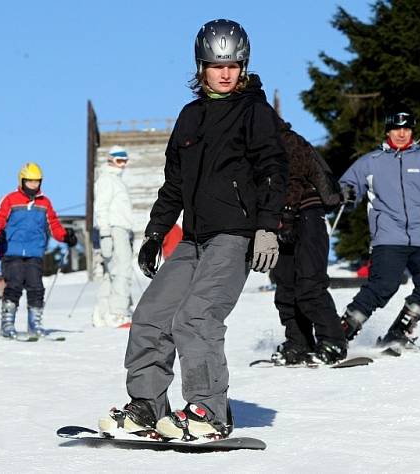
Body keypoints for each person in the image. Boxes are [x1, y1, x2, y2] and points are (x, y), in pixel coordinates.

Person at [99, 19, 287, 441]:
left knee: (197, 318)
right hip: (193, 238)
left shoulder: (255, 112)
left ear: (244, 65)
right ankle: (148, 406)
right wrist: (154, 233)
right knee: (150, 316)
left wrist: (267, 228)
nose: (225, 73)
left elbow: (274, 171)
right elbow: (175, 184)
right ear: (200, 66)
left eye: (233, 65)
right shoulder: (190, 117)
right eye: (215, 65)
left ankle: (208, 410)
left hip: (235, 235)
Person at [338, 106, 420, 347]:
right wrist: (347, 194)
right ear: (388, 130)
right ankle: (340, 332)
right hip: (388, 237)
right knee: (383, 285)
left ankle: (400, 331)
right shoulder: (371, 162)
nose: (401, 133)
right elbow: (347, 186)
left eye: (406, 128)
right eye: (396, 128)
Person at [270, 118, 347, 366]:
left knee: (309, 284)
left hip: (306, 214)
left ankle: (333, 341)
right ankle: (298, 342)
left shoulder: (284, 138)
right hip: (281, 220)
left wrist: (290, 212)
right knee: (285, 286)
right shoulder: (247, 142)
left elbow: (293, 175)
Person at [0, 162, 77, 338]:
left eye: (37, 182)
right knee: (14, 285)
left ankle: (34, 324)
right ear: (22, 181)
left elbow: (53, 224)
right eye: (30, 182)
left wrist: (64, 236)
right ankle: (7, 324)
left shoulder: (44, 203)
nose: (33, 185)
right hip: (12, 250)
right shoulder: (10, 199)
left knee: (36, 287)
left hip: (35, 251)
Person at [92, 145, 134, 327]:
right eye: (119, 161)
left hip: (120, 228)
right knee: (122, 270)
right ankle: (118, 313)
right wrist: (105, 234)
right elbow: (101, 207)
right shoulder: (107, 180)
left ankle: (102, 313)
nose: (122, 165)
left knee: (112, 272)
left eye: (125, 161)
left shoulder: (116, 180)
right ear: (110, 160)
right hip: (114, 228)